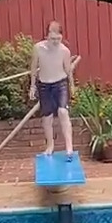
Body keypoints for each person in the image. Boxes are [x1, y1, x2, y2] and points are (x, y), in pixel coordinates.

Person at [29, 21, 75, 157]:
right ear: (46, 36)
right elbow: (33, 68)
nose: (55, 41)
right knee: (47, 117)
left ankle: (69, 147)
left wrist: (72, 85)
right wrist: (32, 86)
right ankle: (50, 146)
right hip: (44, 85)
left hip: (60, 84)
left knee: (63, 112)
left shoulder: (64, 51)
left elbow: (68, 70)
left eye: (58, 38)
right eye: (52, 38)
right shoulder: (38, 48)